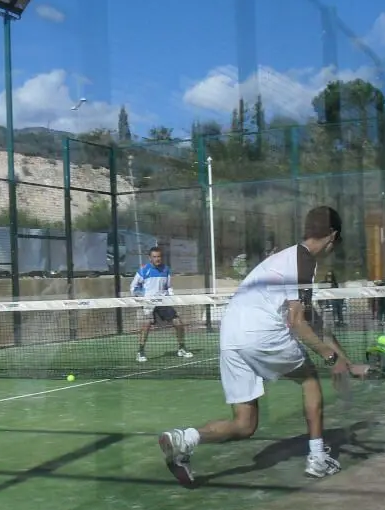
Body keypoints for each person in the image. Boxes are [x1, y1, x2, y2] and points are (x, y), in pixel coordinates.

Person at [158, 206, 368, 486]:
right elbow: (297, 322)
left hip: (230, 336)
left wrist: (345, 360)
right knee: (309, 379)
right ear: (332, 236)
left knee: (245, 425)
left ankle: (184, 439)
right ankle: (318, 459)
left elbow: (313, 321)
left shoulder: (285, 259)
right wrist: (331, 359)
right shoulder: (304, 260)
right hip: (260, 331)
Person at [130, 246, 193, 363]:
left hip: (163, 301)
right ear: (150, 258)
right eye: (154, 257)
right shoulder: (143, 270)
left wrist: (171, 297)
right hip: (148, 303)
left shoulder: (166, 269)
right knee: (146, 325)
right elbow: (133, 288)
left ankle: (182, 348)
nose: (157, 259)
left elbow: (168, 287)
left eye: (159, 256)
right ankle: (140, 351)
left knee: (178, 323)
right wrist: (144, 297)